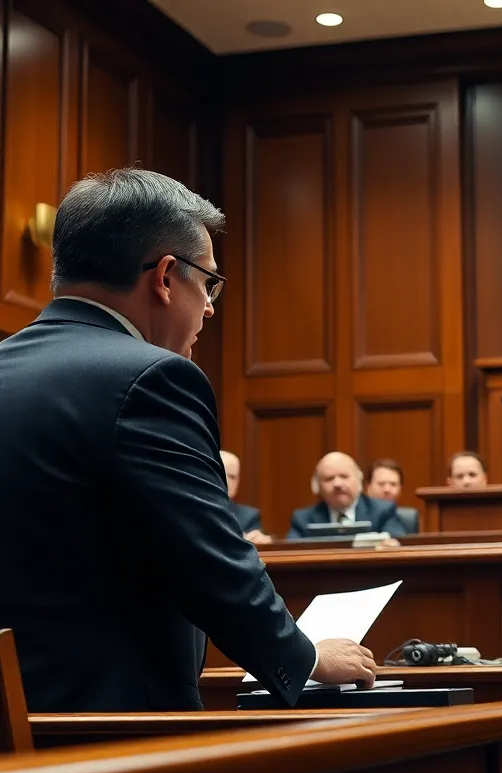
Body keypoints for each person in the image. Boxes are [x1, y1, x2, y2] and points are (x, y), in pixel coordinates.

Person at [0, 168, 376, 712]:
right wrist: (304, 657)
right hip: (112, 729)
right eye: (208, 282)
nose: (210, 306)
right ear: (166, 276)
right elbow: (210, 560)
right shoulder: (151, 378)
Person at [287, 452, 407, 540]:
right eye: (329, 479)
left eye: (344, 476)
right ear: (317, 487)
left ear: (359, 480)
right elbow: (290, 554)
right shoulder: (303, 519)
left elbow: (398, 546)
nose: (337, 484)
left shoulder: (383, 511)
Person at [220, 449, 271, 545]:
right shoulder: (192, 508)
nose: (227, 481)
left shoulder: (249, 517)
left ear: (238, 481)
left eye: (232, 477)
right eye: (221, 474)